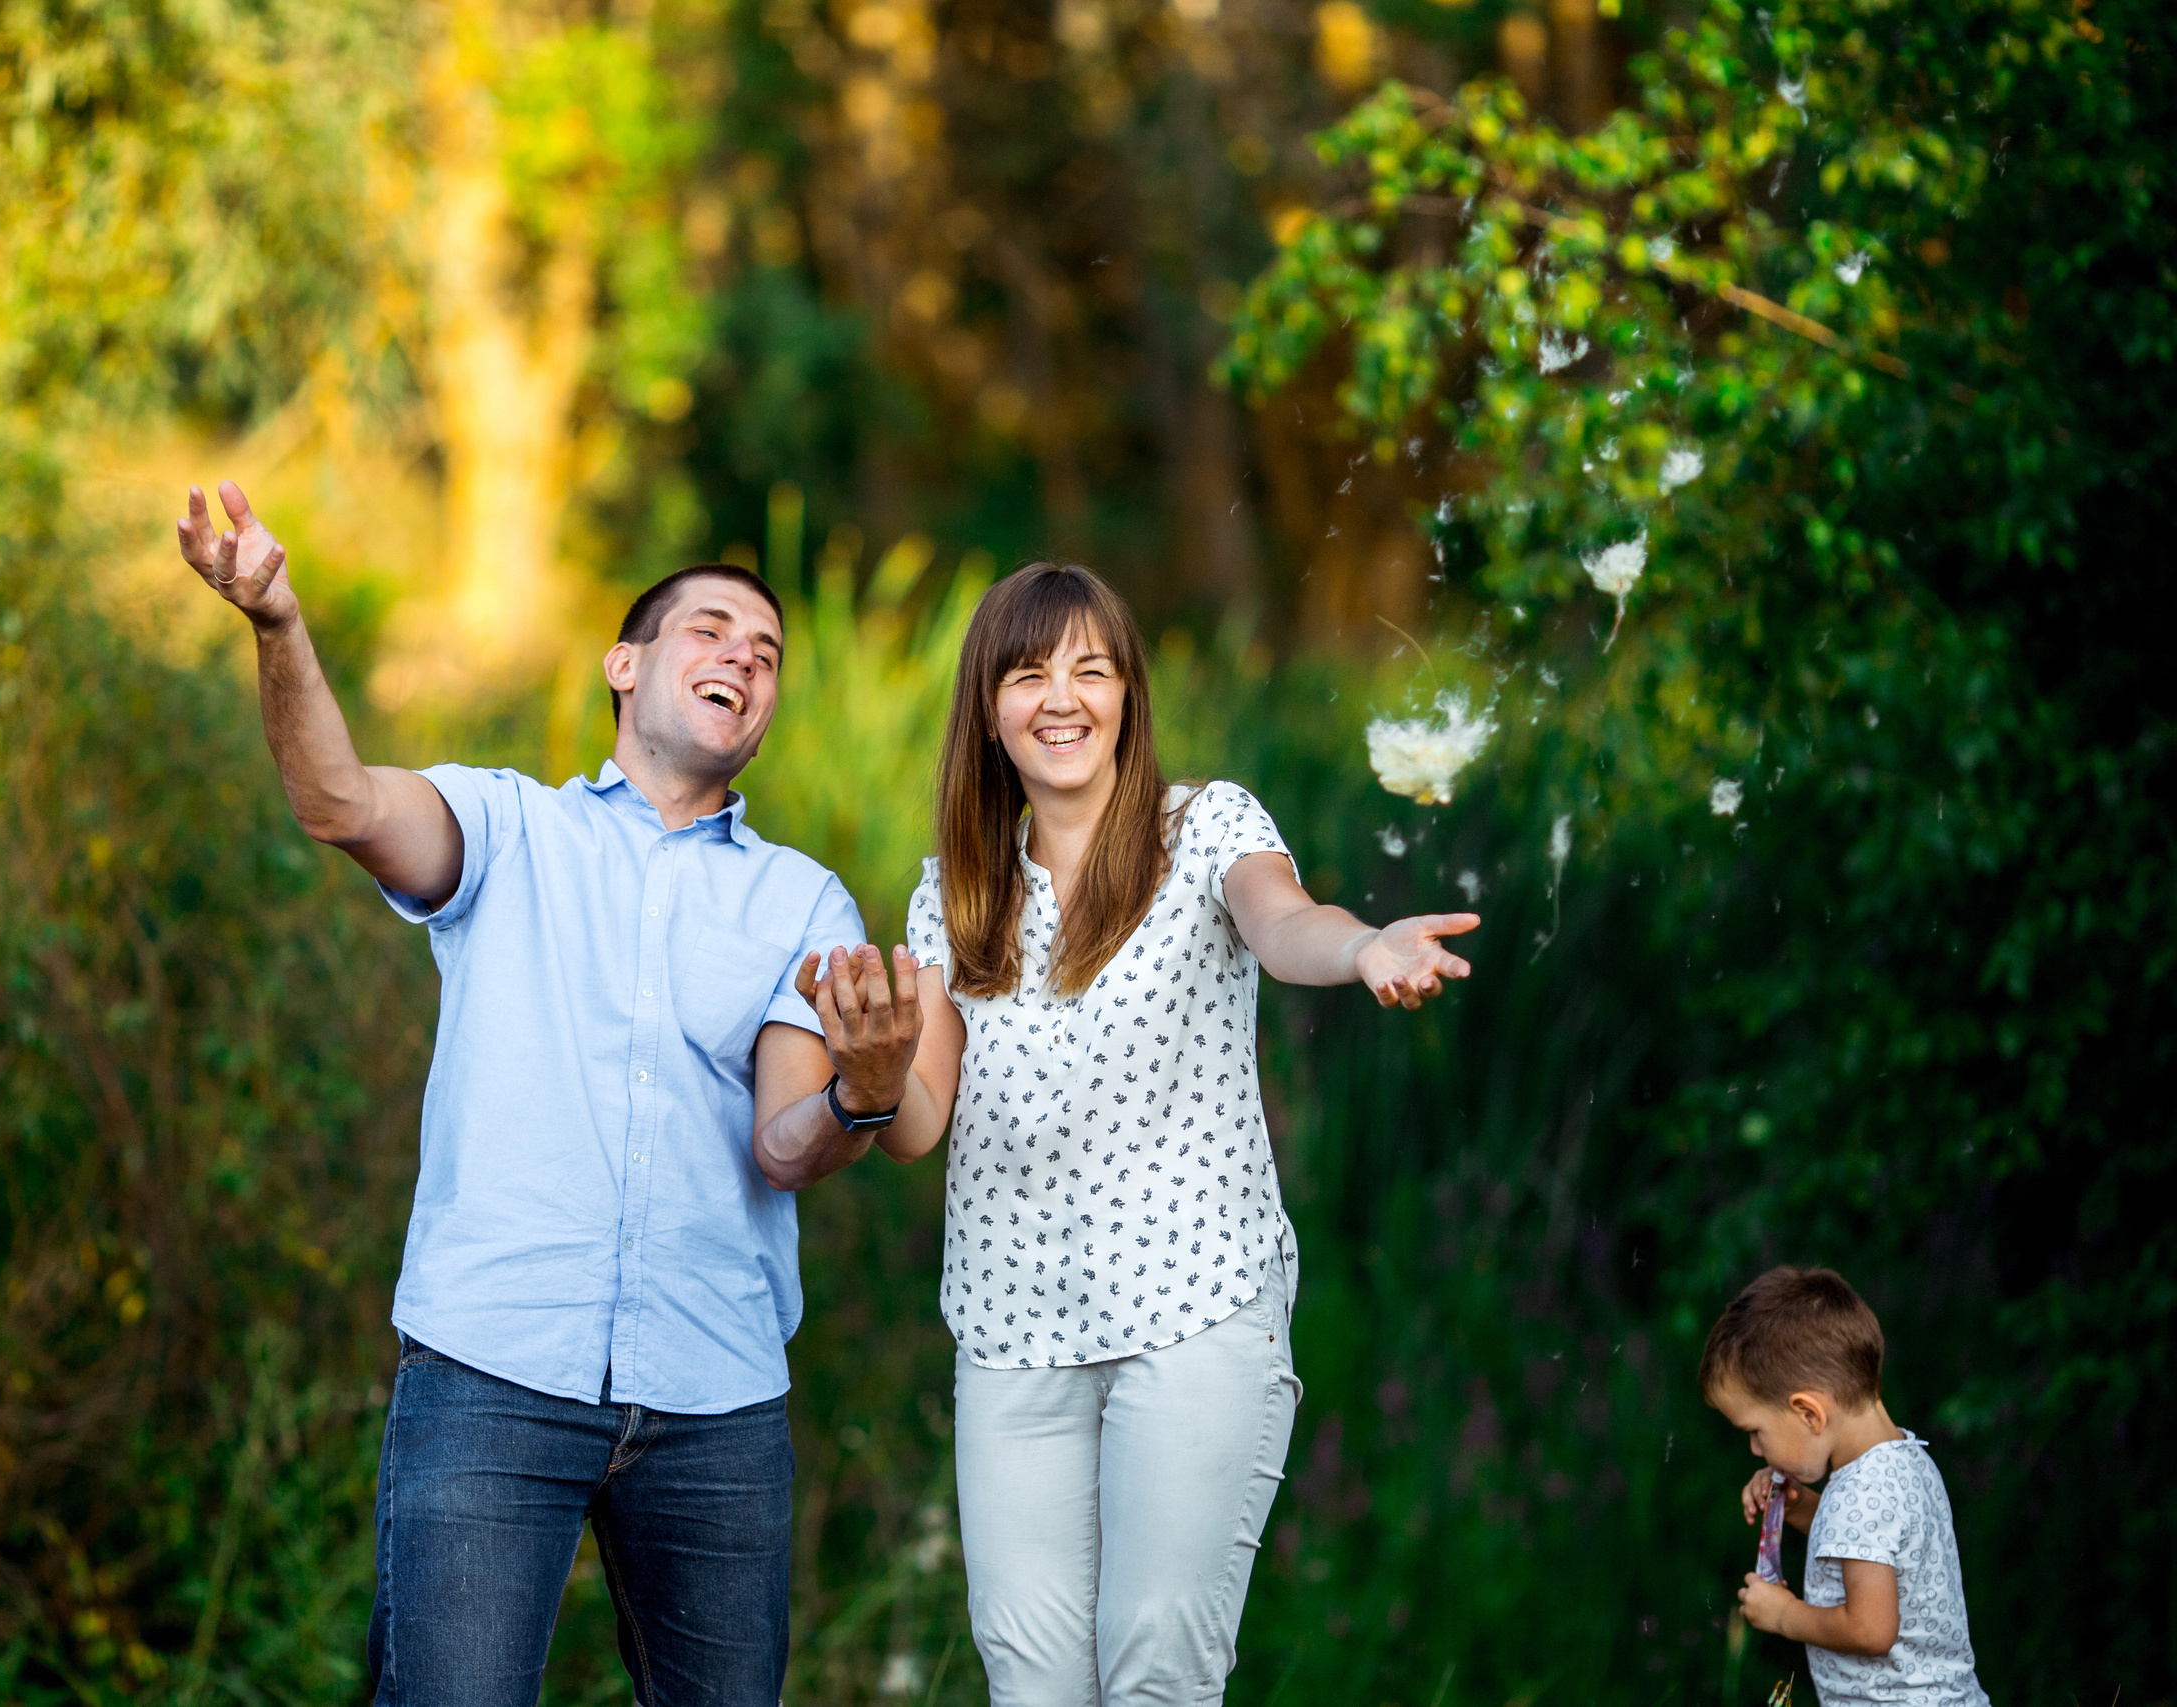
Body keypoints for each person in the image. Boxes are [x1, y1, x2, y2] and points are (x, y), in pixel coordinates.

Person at [173, 480, 930, 1707]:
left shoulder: (801, 900)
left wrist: (865, 1092)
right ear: (624, 666)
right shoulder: (507, 825)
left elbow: (787, 1149)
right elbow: (339, 800)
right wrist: (277, 626)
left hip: (715, 1399)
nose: (744, 656)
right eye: (710, 631)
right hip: (490, 1372)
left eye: (768, 654)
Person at [816, 561, 1479, 1707]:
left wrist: (1364, 947)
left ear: (1129, 693)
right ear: (987, 709)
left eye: (1090, 668)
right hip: (1012, 1331)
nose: (1060, 697)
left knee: (1156, 1676)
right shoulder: (953, 895)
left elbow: (1284, 924)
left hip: (1192, 1314)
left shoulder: (1205, 824)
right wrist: (871, 1079)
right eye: (1027, 674)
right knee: (1031, 1687)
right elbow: (920, 1123)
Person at [1703, 1266, 1991, 1707]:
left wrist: (1785, 1615)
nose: (1755, 1449)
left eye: (1757, 1431)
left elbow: (1870, 1630)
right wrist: (1796, 1508)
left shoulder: (1863, 1491)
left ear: (1809, 1414)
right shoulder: (1903, 1460)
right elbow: (1868, 1548)